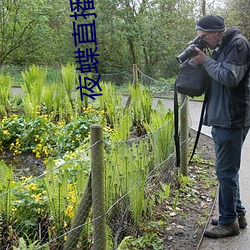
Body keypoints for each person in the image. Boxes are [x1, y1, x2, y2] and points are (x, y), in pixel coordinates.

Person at [192, 15, 250, 238]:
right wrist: (202, 59)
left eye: (204, 37)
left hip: (232, 118)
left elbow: (229, 77)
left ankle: (228, 223)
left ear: (216, 32)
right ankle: (237, 214)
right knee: (227, 171)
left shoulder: (238, 44)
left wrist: (205, 61)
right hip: (222, 117)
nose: (203, 41)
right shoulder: (221, 46)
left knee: (225, 171)